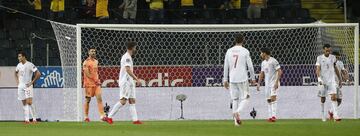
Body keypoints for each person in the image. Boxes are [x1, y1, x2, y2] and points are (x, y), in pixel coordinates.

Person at [106, 41, 143, 125]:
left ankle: (135, 120)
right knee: (123, 101)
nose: (136, 49)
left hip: (130, 82)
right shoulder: (127, 57)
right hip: (126, 81)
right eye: (135, 47)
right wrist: (137, 79)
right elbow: (128, 69)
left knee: (132, 100)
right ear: (133, 47)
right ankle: (109, 117)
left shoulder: (129, 56)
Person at [223, 34, 256, 126]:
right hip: (242, 78)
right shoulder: (245, 51)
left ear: (235, 41)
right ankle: (238, 112)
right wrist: (253, 78)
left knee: (235, 99)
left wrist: (225, 79)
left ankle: (236, 123)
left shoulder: (229, 51)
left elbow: (226, 66)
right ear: (243, 40)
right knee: (246, 97)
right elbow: (250, 66)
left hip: (232, 78)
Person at [316, 44, 342, 122]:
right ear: (324, 50)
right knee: (323, 99)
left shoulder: (333, 57)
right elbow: (317, 69)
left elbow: (335, 68)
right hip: (323, 81)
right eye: (327, 50)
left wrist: (340, 78)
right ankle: (323, 114)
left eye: (329, 51)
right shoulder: (319, 58)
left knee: (334, 97)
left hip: (332, 81)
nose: (328, 52)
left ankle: (335, 115)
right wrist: (319, 78)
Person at [257, 47, 282, 122]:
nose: (260, 54)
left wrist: (276, 82)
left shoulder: (273, 61)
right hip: (267, 84)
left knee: (273, 98)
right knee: (268, 100)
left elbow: (280, 71)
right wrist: (258, 83)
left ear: (264, 53)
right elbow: (262, 73)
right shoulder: (263, 63)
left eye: (261, 53)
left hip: (273, 83)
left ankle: (274, 116)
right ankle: (270, 116)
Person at [15, 51, 41, 124]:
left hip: (28, 86)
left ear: (24, 57)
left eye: (20, 56)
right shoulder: (18, 65)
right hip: (21, 86)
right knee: (24, 103)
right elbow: (15, 72)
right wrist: (17, 82)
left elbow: (38, 74)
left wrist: (32, 82)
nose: (18, 58)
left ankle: (34, 119)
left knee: (29, 102)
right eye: (18, 56)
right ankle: (27, 120)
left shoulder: (30, 64)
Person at [82, 47, 106, 122]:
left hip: (96, 84)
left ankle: (102, 116)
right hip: (89, 84)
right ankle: (86, 117)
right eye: (92, 51)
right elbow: (87, 73)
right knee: (88, 100)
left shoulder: (96, 61)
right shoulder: (86, 62)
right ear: (88, 53)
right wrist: (95, 80)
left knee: (99, 98)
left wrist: (97, 80)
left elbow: (95, 72)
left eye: (94, 51)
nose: (93, 52)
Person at [328, 52, 349, 120]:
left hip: (337, 83)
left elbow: (343, 71)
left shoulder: (340, 63)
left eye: (338, 57)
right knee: (334, 98)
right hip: (331, 82)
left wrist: (345, 77)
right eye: (336, 57)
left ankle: (331, 111)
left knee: (339, 100)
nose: (337, 58)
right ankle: (335, 115)